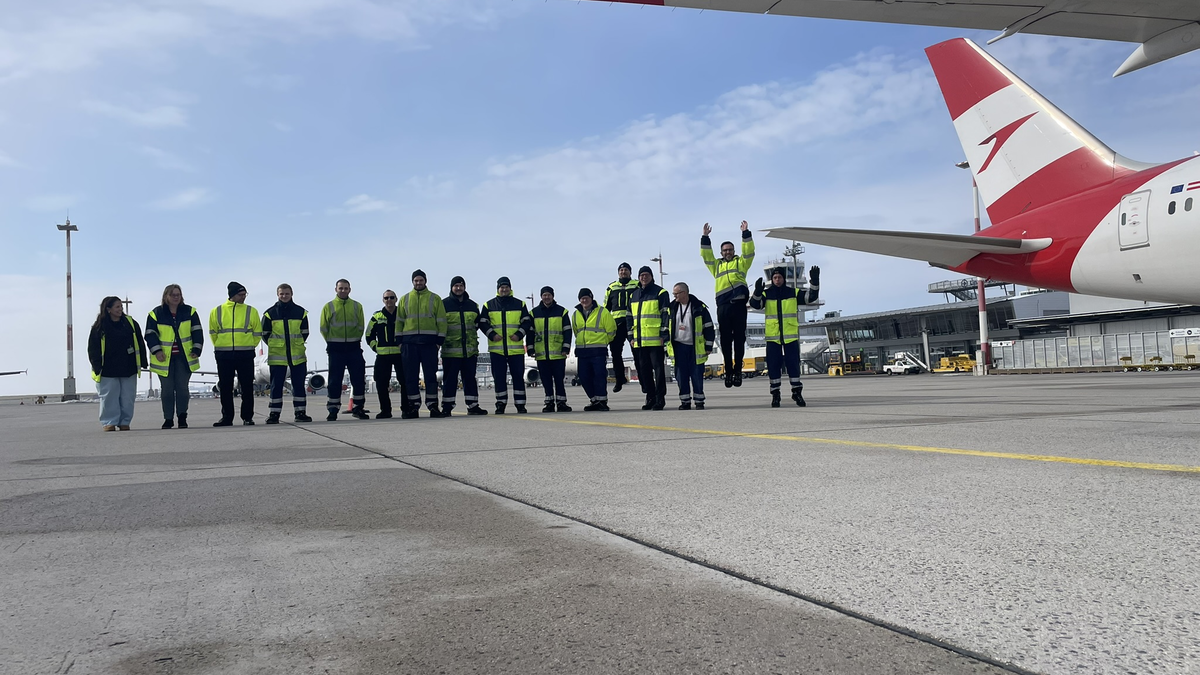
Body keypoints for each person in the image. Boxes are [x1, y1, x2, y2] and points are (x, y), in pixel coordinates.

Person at [749, 266, 821, 407]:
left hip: (790, 337)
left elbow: (811, 297)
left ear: (784, 278)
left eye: (779, 277)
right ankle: (776, 395)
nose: (777, 280)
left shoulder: (793, 292)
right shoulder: (766, 294)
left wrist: (815, 282)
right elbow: (755, 304)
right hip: (773, 337)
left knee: (793, 365)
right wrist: (757, 292)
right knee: (773, 366)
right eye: (775, 278)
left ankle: (797, 393)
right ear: (772, 279)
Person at [701, 220, 755, 388]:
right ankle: (729, 372)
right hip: (723, 307)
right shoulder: (716, 266)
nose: (728, 252)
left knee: (739, 339)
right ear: (721, 252)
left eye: (730, 250)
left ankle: (738, 371)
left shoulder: (741, 263)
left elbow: (749, 252)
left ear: (734, 251)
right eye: (725, 250)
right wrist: (705, 237)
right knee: (725, 341)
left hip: (738, 305)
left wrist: (745, 234)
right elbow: (706, 256)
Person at [145, 284, 203, 429]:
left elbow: (197, 332)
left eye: (178, 294)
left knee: (182, 389)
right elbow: (150, 334)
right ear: (166, 297)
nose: (176, 297)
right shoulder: (156, 314)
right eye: (173, 295)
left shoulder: (190, 312)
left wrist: (197, 349)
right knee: (167, 390)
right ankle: (168, 419)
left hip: (184, 359)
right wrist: (157, 351)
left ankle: (182, 417)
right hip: (164, 359)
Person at [88, 296, 147, 431]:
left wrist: (143, 360)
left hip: (128, 367)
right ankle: (109, 422)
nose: (120, 309)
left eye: (121, 306)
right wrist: (97, 365)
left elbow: (139, 342)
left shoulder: (130, 323)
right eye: (117, 307)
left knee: (127, 397)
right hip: (108, 369)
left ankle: (124, 422)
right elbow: (93, 347)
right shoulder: (99, 327)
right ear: (108, 309)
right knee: (109, 397)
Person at [478, 276, 533, 414]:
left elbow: (527, 322)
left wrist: (519, 335)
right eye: (502, 287)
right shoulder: (488, 305)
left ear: (510, 288)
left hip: (515, 350)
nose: (504, 289)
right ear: (498, 289)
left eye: (506, 287)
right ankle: (500, 404)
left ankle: (520, 404)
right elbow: (483, 323)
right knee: (499, 378)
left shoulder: (520, 304)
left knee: (518, 378)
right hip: (497, 350)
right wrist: (492, 335)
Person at [396, 269, 447, 418]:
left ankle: (433, 406)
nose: (418, 283)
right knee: (411, 378)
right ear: (412, 282)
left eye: (421, 280)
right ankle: (414, 407)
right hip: (409, 344)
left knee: (430, 377)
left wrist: (439, 342)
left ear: (425, 281)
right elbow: (399, 322)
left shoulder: (435, 298)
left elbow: (441, 321)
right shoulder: (404, 299)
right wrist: (399, 342)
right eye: (416, 280)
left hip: (429, 344)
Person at [209, 282, 262, 426]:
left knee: (247, 387)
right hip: (224, 355)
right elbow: (213, 333)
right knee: (225, 388)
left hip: (245, 354)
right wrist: (221, 345)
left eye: (245, 294)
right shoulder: (217, 311)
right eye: (241, 294)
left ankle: (247, 417)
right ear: (232, 295)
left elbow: (257, 332)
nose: (244, 297)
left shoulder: (251, 311)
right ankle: (227, 417)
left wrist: (250, 345)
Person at [261, 283, 312, 424]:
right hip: (278, 357)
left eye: (287, 294)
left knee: (299, 385)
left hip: (298, 356)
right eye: (281, 294)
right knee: (276, 386)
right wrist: (276, 345)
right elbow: (264, 334)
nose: (284, 296)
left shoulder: (301, 312)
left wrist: (295, 344)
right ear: (278, 295)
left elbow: (305, 333)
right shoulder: (270, 313)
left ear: (292, 294)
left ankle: (300, 412)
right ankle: (274, 414)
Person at [320, 279, 369, 421]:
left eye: (346, 288)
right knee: (335, 380)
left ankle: (358, 408)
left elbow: (361, 326)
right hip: (335, 348)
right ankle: (333, 409)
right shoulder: (328, 307)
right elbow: (324, 327)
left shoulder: (357, 306)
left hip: (354, 346)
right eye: (340, 288)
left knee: (358, 379)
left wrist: (355, 339)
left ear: (350, 289)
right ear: (336, 289)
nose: (343, 290)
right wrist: (331, 341)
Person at [442, 276, 487, 416]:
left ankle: (473, 405)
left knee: (470, 379)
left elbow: (477, 324)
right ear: (451, 287)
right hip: (451, 351)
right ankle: (447, 407)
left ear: (464, 287)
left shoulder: (473, 305)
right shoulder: (444, 305)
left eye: (461, 285)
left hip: (469, 351)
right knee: (450, 380)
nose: (458, 288)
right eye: (456, 286)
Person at [667, 282, 716, 410]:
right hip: (678, 347)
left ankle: (699, 401)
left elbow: (709, 328)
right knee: (681, 376)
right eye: (674, 294)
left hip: (695, 348)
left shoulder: (699, 307)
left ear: (684, 293)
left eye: (676, 294)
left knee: (696, 375)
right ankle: (685, 402)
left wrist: (709, 346)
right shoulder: (671, 308)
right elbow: (666, 328)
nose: (675, 296)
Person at [629, 266, 671, 410]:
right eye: (641, 275)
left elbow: (666, 314)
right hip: (639, 342)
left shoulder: (660, 293)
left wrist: (664, 335)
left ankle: (660, 399)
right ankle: (650, 398)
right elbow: (630, 318)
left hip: (655, 341)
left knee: (658, 371)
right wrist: (631, 337)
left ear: (651, 276)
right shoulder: (633, 295)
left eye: (646, 275)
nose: (644, 278)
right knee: (644, 372)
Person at [530, 286, 573, 413]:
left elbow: (567, 331)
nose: (546, 297)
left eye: (549, 295)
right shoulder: (534, 313)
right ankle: (548, 403)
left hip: (558, 354)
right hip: (542, 354)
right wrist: (531, 349)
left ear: (553, 296)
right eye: (544, 295)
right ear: (541, 296)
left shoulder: (562, 312)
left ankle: (561, 403)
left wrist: (566, 347)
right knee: (546, 381)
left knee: (559, 380)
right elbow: (530, 332)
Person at [572, 288, 616, 411]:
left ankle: (602, 401)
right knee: (584, 377)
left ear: (591, 298)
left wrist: (603, 341)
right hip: (582, 351)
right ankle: (594, 399)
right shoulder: (575, 314)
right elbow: (577, 332)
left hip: (598, 350)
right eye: (582, 298)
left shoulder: (603, 312)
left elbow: (611, 330)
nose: (584, 300)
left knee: (599, 376)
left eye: (586, 298)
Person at [367, 289, 405, 419]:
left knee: (405, 382)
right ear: (383, 300)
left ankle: (406, 409)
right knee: (381, 383)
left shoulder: (402, 315)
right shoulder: (377, 316)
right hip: (382, 355)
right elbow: (368, 335)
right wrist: (376, 347)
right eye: (387, 298)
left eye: (392, 297)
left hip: (400, 354)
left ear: (396, 299)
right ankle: (385, 410)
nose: (389, 300)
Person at [603, 262, 638, 392]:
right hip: (616, 324)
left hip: (632, 323)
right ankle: (619, 379)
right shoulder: (611, 287)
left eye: (626, 270)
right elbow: (606, 308)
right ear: (618, 272)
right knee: (616, 353)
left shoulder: (636, 285)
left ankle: (644, 380)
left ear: (630, 272)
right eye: (621, 270)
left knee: (637, 352)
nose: (623, 272)